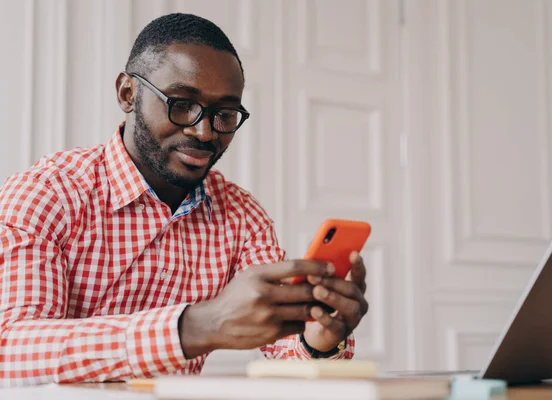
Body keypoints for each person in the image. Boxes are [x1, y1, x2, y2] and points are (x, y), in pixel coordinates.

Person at [0, 13, 369, 386]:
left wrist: (318, 340)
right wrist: (194, 326)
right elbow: (11, 350)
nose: (204, 131)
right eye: (180, 103)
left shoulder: (242, 217)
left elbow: (287, 351)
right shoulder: (47, 193)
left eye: (224, 114)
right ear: (128, 93)